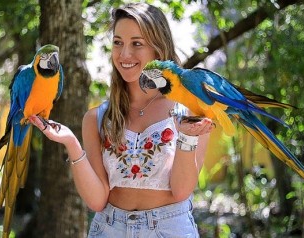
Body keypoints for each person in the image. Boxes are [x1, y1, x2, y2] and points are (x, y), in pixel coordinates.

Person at [28, 3, 214, 237]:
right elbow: (97, 200)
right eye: (118, 42)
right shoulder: (97, 118)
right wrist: (71, 144)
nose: (124, 54)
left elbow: (181, 191)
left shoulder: (190, 112)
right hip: (109, 228)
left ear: (159, 48)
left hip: (169, 229)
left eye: (137, 43)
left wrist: (187, 135)